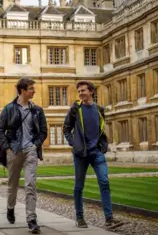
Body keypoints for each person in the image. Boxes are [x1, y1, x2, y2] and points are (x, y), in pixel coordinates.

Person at [63, 81, 124, 230]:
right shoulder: (75, 109)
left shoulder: (99, 110)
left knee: (104, 182)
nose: (80, 93)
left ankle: (109, 219)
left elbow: (100, 129)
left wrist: (103, 144)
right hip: (81, 154)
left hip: (96, 153)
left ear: (91, 92)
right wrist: (74, 143)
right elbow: (66, 129)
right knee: (79, 186)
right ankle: (79, 217)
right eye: (79, 91)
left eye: (83, 90)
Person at [0, 77, 48, 234]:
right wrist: (7, 148)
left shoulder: (37, 110)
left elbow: (43, 131)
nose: (34, 91)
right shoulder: (9, 109)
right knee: (12, 185)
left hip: (31, 151)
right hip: (14, 151)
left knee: (31, 185)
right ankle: (10, 208)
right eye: (31, 88)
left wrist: (35, 145)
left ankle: (31, 219)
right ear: (23, 90)